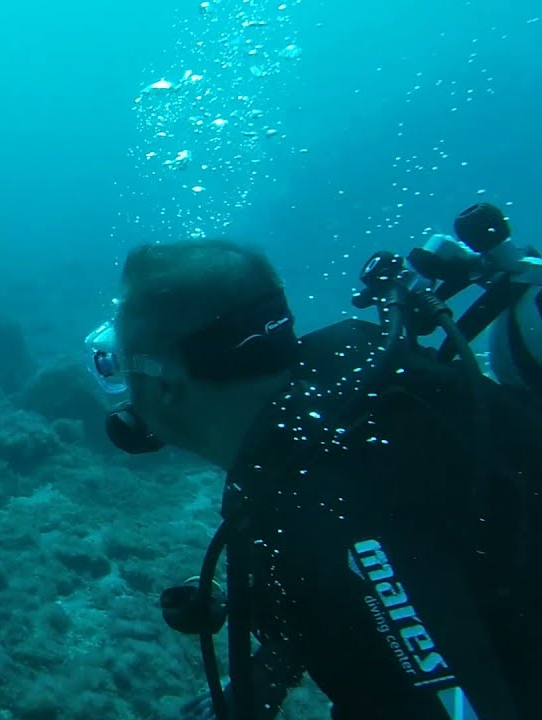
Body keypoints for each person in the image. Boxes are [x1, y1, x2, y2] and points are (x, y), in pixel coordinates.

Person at [85, 236, 542, 719]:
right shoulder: (351, 370)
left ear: (165, 387)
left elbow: (377, 590)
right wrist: (268, 673)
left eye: (120, 364)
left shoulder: (324, 516)